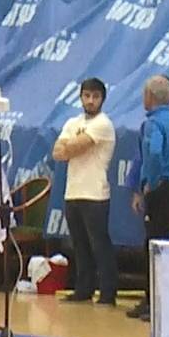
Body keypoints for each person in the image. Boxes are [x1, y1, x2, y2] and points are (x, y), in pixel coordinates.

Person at [128, 74, 169, 322]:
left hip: (161, 190)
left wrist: (151, 183)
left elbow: (153, 153)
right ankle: (159, 301)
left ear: (148, 96)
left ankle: (155, 303)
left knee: (153, 246)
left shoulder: (153, 123)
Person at [53, 77, 117, 306]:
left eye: (95, 96)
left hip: (95, 194)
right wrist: (69, 147)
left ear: (102, 99)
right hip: (73, 191)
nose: (90, 101)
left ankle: (108, 292)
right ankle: (83, 289)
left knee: (99, 244)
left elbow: (76, 146)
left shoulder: (103, 124)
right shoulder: (73, 122)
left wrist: (69, 146)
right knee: (79, 244)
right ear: (80, 97)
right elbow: (57, 152)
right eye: (87, 96)